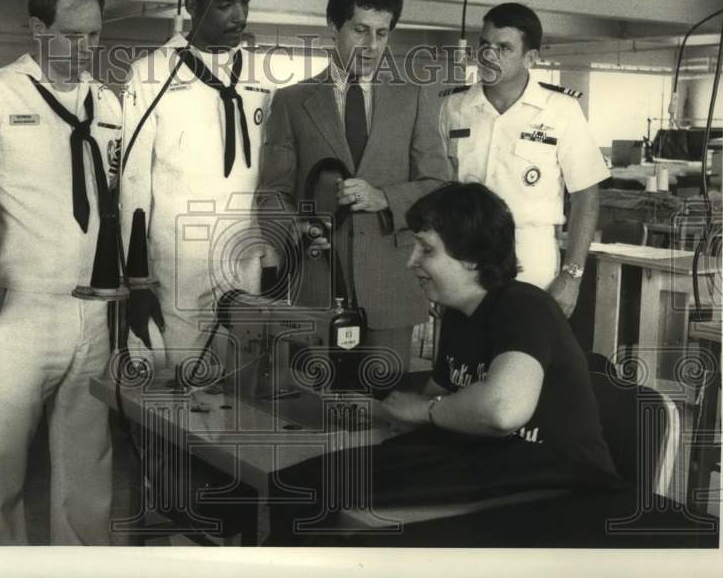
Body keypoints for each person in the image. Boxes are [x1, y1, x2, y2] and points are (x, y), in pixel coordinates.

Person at [265, 182, 619, 545]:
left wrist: (422, 411)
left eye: (427, 249)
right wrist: (382, 412)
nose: (411, 261)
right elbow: (441, 397)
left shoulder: (524, 306)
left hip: (558, 480)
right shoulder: (459, 315)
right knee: (299, 486)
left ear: (472, 257)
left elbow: (502, 410)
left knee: (331, 511)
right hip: (493, 463)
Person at [0, 0, 122, 545]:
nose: (85, 49)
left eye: (94, 36)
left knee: (88, 464)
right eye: (72, 36)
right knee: (0, 465)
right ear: (37, 29)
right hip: (20, 309)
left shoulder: (110, 104)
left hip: (92, 312)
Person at [257, 0, 451, 374]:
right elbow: (271, 193)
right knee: (314, 408)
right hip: (317, 284)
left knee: (387, 412)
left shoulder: (414, 98)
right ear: (334, 26)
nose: (371, 45)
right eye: (360, 30)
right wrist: (298, 228)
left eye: (382, 33)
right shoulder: (293, 103)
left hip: (392, 288)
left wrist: (385, 198)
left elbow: (438, 185)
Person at [121, 0, 280, 368]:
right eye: (225, 5)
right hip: (178, 266)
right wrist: (136, 281)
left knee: (243, 385)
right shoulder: (150, 74)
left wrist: (272, 252)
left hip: (244, 258)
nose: (239, 16)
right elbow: (133, 185)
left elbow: (270, 175)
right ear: (191, 5)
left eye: (245, 2)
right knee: (184, 389)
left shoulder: (262, 76)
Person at [438, 3, 609, 316]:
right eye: (485, 45)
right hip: (462, 254)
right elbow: (436, 191)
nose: (489, 56)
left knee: (525, 352)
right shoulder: (452, 108)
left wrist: (571, 276)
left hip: (532, 256)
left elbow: (586, 196)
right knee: (462, 356)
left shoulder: (561, 110)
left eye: (504, 48)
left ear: (531, 57)